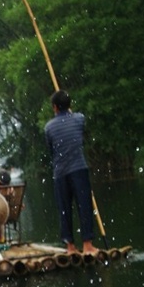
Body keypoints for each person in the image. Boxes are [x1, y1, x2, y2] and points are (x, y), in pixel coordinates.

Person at [44, 90, 99, 256]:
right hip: (79, 169)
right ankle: (88, 245)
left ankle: (70, 247)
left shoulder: (49, 127)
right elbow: (80, 130)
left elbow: (51, 149)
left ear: (54, 107)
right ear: (70, 105)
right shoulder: (79, 119)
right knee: (84, 206)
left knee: (64, 209)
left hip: (60, 172)